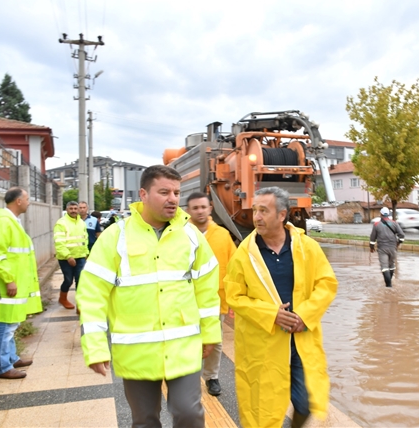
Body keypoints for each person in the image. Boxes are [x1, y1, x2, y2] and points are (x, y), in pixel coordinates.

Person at [77, 165, 221, 428]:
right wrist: (96, 345)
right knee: (144, 421)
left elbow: (207, 290)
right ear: (143, 194)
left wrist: (210, 333)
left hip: (183, 346)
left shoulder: (191, 236)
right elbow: (92, 293)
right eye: (164, 192)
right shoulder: (116, 236)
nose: (173, 199)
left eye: (177, 192)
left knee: (188, 413)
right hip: (137, 350)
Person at [225, 187, 338, 428]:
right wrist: (271, 315)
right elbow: (234, 295)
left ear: (281, 215)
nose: (256, 217)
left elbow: (327, 283)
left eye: (263, 211)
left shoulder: (307, 247)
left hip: (300, 338)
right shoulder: (244, 254)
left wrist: (304, 316)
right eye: (255, 210)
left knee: (306, 401)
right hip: (263, 343)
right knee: (263, 407)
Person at [0, 188, 40, 379]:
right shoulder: (3, 222)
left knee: (11, 323)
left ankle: (12, 358)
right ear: (18, 201)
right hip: (10, 284)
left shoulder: (11, 221)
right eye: (27, 198)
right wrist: (9, 280)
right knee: (7, 325)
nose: (29, 202)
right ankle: (4, 367)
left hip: (15, 283)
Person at [185, 192, 236, 397]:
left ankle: (211, 377)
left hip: (215, 299)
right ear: (188, 210)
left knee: (215, 341)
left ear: (210, 208)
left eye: (203, 207)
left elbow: (234, 268)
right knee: (186, 340)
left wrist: (234, 299)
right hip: (184, 299)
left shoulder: (223, 235)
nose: (199, 211)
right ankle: (185, 377)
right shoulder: (179, 233)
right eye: (195, 208)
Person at [53, 201, 88, 310]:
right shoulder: (61, 223)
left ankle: (80, 306)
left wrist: (86, 253)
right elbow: (59, 243)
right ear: (67, 210)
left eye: (75, 208)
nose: (73, 210)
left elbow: (84, 239)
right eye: (71, 209)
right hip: (65, 258)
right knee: (68, 280)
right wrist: (68, 256)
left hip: (80, 256)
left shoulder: (82, 223)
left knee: (80, 280)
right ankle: (62, 299)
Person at [369, 207, 405, 287]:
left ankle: (388, 286)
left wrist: (371, 247)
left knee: (384, 267)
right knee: (391, 265)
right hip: (393, 248)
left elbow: (372, 238)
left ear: (381, 214)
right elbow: (402, 235)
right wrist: (398, 243)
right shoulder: (394, 223)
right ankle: (390, 284)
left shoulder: (376, 224)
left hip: (382, 249)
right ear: (388, 214)